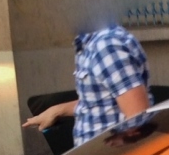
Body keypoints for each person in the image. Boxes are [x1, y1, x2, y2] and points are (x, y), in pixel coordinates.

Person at [23, 22, 153, 146]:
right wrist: (57, 111)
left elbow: (138, 114)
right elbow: (101, 102)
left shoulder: (106, 46)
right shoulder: (91, 44)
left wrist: (115, 148)